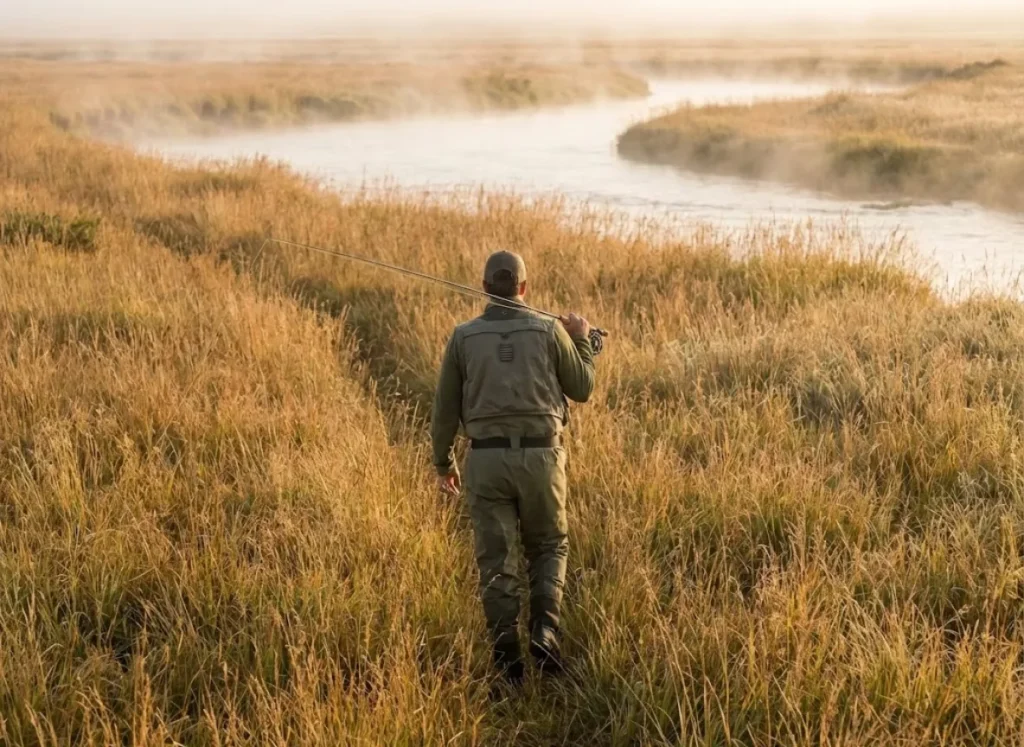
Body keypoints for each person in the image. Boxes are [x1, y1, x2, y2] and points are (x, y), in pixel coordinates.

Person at [431, 249, 596, 688]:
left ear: (485, 288)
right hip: (543, 458)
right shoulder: (550, 329)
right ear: (524, 288)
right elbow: (582, 387)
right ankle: (545, 633)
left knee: (496, 562)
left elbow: (444, 409)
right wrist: (580, 338)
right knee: (548, 547)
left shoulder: (462, 337)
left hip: (485, 462)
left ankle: (508, 666)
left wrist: (443, 462)